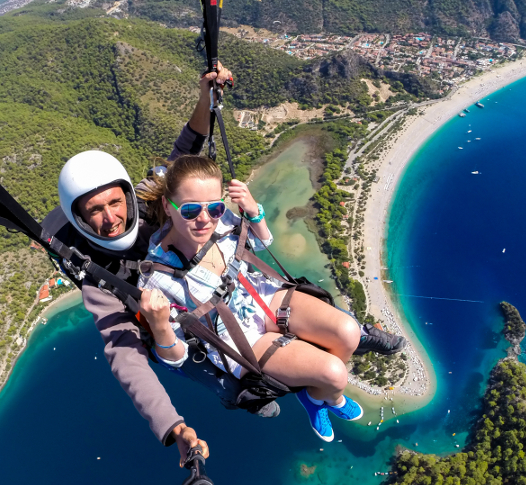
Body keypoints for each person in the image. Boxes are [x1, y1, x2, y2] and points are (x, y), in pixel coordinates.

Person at [48, 67, 407, 461]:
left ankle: (336, 350)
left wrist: (207, 99)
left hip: (248, 296)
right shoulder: (102, 280)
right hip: (197, 323)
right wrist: (174, 426)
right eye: (94, 211)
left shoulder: (167, 210)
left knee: (343, 332)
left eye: (115, 202)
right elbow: (127, 359)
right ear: (79, 218)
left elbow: (187, 158)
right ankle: (278, 388)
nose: (110, 218)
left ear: (132, 197)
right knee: (303, 378)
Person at [136, 156, 371, 442]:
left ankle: (321, 395)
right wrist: (159, 325)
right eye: (190, 210)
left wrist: (252, 211)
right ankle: (323, 397)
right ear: (167, 206)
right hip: (239, 337)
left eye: (214, 207)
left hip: (265, 295)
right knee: (334, 374)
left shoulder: (222, 221)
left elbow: (260, 243)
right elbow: (176, 359)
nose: (204, 219)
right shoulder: (157, 278)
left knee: (348, 332)